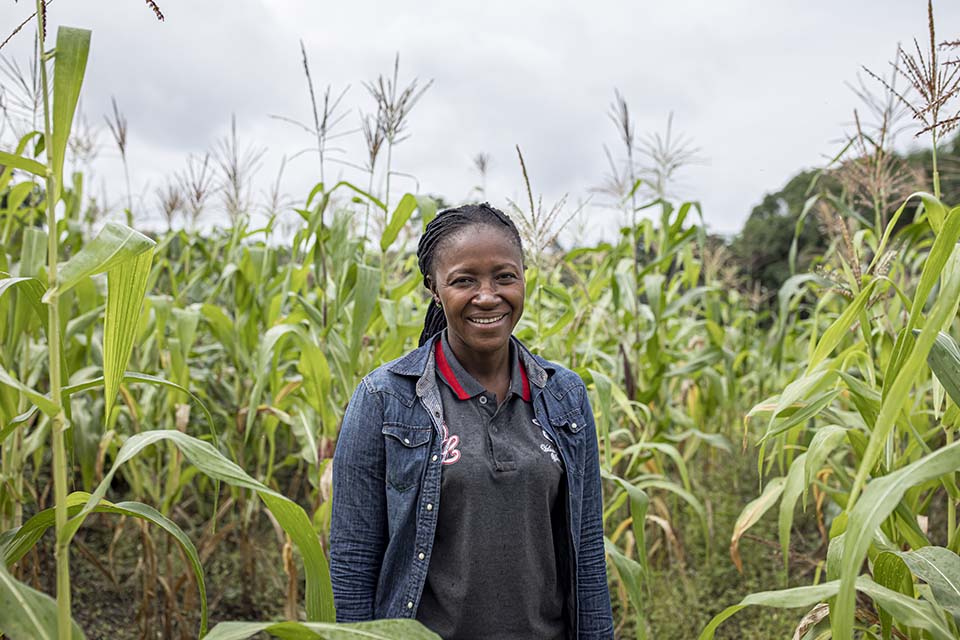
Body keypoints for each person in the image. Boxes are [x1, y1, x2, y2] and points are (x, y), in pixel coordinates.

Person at [329, 203, 613, 639]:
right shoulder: (385, 399)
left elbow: (588, 550)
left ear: (523, 278)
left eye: (505, 276)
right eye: (464, 280)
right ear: (434, 289)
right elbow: (352, 560)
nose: (487, 295)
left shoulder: (565, 396)